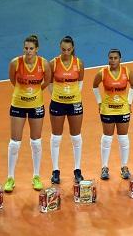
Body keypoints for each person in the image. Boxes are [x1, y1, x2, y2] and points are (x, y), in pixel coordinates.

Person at [4, 35, 51, 192]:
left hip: (36, 105)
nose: (28, 51)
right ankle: (10, 178)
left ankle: (36, 176)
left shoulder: (43, 63)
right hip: (18, 104)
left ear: (37, 49)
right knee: (15, 142)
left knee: (36, 141)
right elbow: (12, 80)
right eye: (26, 48)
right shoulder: (15, 63)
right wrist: (24, 93)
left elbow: (46, 81)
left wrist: (34, 92)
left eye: (31, 48)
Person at [93, 49, 133, 180]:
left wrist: (129, 102)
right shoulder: (102, 72)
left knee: (123, 138)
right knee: (107, 138)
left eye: (115, 58)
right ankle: (104, 167)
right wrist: (99, 102)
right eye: (110, 58)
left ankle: (124, 167)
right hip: (108, 110)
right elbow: (94, 86)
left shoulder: (127, 72)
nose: (112, 61)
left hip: (123, 109)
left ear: (120, 59)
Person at [48, 36, 84, 185]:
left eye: (69, 49)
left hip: (74, 103)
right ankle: (55, 170)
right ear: (60, 48)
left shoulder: (79, 63)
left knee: (76, 137)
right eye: (63, 49)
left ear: (73, 48)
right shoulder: (53, 63)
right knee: (56, 137)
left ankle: (77, 169)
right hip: (57, 103)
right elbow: (49, 83)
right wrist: (57, 97)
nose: (66, 52)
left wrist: (73, 96)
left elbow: (80, 82)